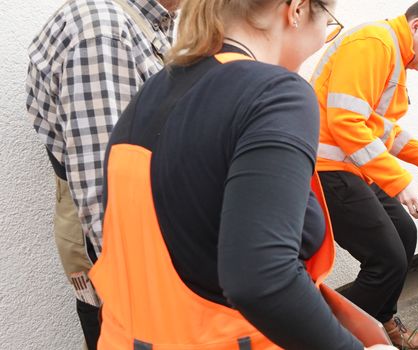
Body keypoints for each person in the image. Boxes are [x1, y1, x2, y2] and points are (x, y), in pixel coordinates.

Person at [88, 0, 393, 348]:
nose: (324, 35)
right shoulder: (276, 94)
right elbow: (262, 279)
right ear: (296, 9)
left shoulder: (154, 91)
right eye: (328, 21)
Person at [309, 0, 418, 348]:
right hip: (325, 170)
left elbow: (378, 128)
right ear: (416, 27)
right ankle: (332, 339)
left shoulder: (392, 52)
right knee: (386, 259)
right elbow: (345, 122)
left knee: (404, 232)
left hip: (352, 167)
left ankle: (383, 321)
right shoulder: (374, 44)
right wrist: (401, 183)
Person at [26, 0, 177, 347]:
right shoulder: (100, 28)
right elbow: (105, 181)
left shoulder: (139, 22)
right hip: (130, 262)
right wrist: (139, 291)